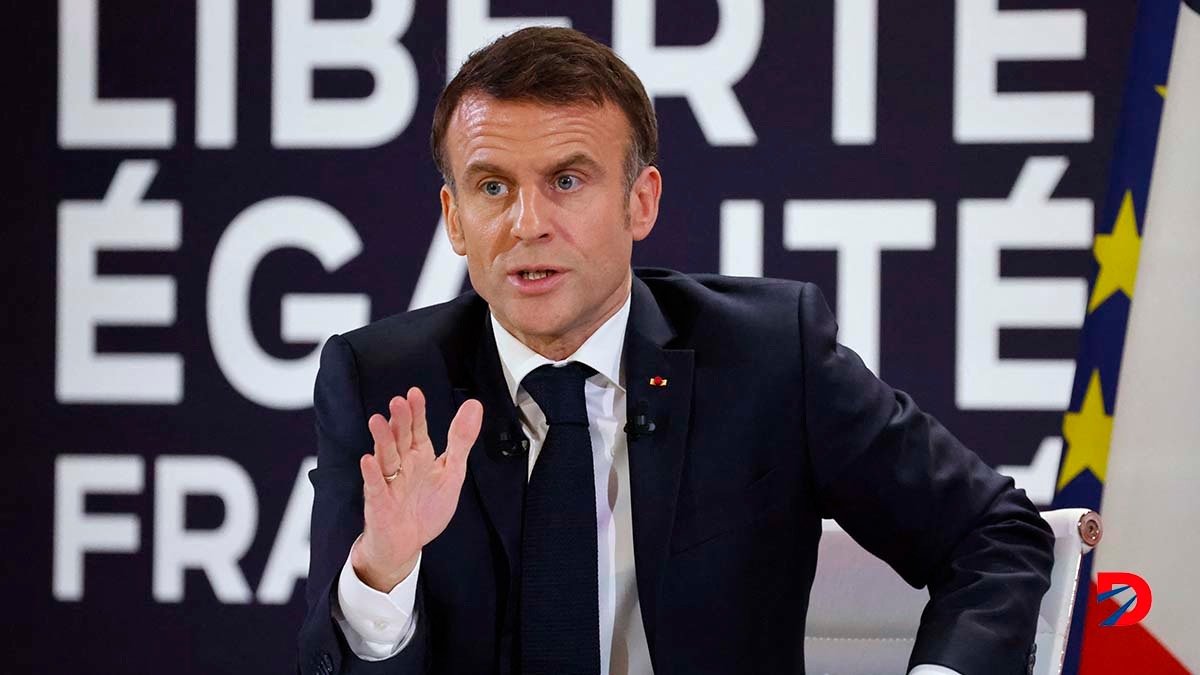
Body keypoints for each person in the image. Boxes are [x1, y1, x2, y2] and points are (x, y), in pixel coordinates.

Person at [298, 26, 1054, 675]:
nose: (526, 222)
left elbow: (993, 532)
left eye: (566, 179)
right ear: (454, 218)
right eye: (491, 186)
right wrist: (381, 573)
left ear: (641, 201)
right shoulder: (386, 385)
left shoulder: (766, 358)